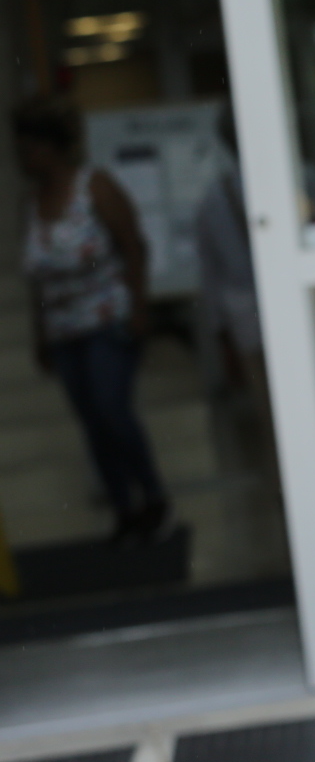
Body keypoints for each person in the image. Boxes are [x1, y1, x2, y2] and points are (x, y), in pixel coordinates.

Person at [16, 95, 170, 544]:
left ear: (53, 147)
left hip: (109, 321)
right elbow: (35, 280)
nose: (25, 158)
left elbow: (132, 244)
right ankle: (123, 507)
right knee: (91, 422)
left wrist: (140, 307)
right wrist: (39, 334)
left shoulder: (94, 186)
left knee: (111, 410)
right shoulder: (30, 203)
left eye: (30, 147)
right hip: (64, 330)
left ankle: (153, 493)